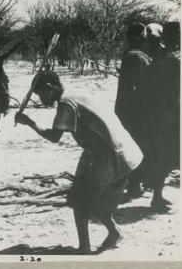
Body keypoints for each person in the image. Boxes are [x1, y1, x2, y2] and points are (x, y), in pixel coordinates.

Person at [15, 71, 142, 254]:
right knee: (92, 198)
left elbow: (54, 136)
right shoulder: (76, 92)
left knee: (80, 201)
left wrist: (29, 122)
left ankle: (84, 247)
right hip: (118, 150)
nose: (41, 100)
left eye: (41, 94)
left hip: (109, 155)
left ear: (50, 89)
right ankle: (113, 233)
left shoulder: (66, 104)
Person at [145, 21, 180, 211]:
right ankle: (156, 198)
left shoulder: (158, 56)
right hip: (170, 114)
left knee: (163, 157)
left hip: (159, 114)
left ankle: (157, 196)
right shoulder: (173, 59)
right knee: (165, 157)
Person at [115, 22, 152, 198]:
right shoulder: (138, 57)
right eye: (144, 37)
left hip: (125, 109)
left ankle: (130, 184)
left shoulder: (129, 55)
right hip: (137, 110)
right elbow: (142, 86)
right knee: (140, 145)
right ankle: (134, 186)